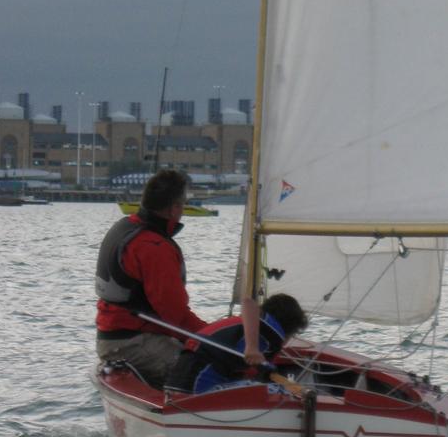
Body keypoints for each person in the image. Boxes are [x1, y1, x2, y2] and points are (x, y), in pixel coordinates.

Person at [95, 169, 207, 385]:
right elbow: (175, 316)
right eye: (183, 203)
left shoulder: (126, 227)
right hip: (132, 343)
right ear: (174, 208)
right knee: (207, 369)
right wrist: (213, 337)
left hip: (113, 338)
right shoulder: (153, 247)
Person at [166, 293, 309, 394]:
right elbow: (248, 302)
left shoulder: (249, 328)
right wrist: (251, 347)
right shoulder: (269, 329)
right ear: (290, 328)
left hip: (181, 381)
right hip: (194, 383)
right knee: (277, 393)